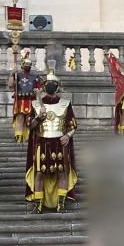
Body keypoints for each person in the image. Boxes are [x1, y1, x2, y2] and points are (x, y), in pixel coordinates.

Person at [25, 63, 78, 213]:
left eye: (53, 83)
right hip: (42, 142)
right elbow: (30, 126)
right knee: (40, 173)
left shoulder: (65, 104)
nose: (51, 85)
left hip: (59, 142)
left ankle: (61, 204)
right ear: (43, 85)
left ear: (57, 86)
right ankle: (38, 204)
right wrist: (39, 118)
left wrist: (68, 135)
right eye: (48, 83)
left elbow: (73, 125)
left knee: (61, 172)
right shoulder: (36, 104)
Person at [7, 49, 41, 143]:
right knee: (20, 117)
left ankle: (29, 136)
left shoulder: (35, 77)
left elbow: (39, 89)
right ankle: (19, 136)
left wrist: (37, 91)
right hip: (20, 100)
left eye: (29, 64)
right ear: (22, 65)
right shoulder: (17, 75)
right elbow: (10, 85)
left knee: (30, 119)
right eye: (26, 64)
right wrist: (12, 73)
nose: (28, 66)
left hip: (31, 100)